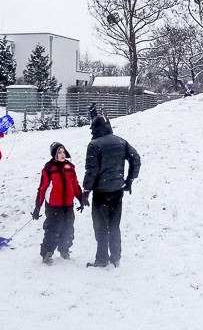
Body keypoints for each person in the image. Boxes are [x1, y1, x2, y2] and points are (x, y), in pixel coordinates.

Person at [83, 114, 140, 268]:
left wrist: (86, 190)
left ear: (95, 129)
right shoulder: (121, 141)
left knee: (101, 227)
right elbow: (136, 158)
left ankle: (102, 259)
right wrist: (129, 180)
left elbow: (91, 171)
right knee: (114, 226)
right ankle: (116, 256)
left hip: (101, 193)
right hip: (117, 191)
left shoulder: (94, 145)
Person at [32, 142, 87, 265]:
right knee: (53, 230)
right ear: (54, 155)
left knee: (68, 229)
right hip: (54, 206)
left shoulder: (70, 167)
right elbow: (42, 188)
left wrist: (81, 199)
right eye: (59, 152)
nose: (62, 154)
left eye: (63, 152)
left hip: (68, 204)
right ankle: (47, 254)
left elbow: (75, 184)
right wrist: (37, 207)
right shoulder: (49, 169)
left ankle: (64, 250)